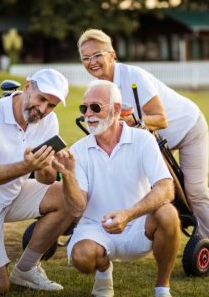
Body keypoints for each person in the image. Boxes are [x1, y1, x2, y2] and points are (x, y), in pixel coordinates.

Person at [52, 80, 181, 297]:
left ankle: (162, 288)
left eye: (96, 107)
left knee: (168, 213)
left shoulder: (143, 140)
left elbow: (166, 188)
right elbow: (77, 208)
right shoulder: (79, 151)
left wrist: (128, 214)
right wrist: (67, 176)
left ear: (117, 109)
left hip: (139, 224)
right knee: (82, 258)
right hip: (95, 227)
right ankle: (104, 269)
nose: (88, 114)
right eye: (84, 108)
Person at [77, 28, 209, 238]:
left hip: (187, 129)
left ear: (112, 54)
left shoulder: (133, 76)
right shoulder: (99, 87)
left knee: (194, 191)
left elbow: (161, 119)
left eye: (97, 55)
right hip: (154, 140)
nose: (91, 61)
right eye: (86, 58)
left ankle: (204, 238)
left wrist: (132, 121)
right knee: (146, 185)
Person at [0, 68, 74, 295]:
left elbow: (45, 180)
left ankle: (26, 269)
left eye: (52, 105)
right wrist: (26, 166)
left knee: (68, 197)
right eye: (42, 99)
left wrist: (47, 166)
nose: (44, 110)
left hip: (12, 195)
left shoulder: (49, 121)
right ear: (27, 87)